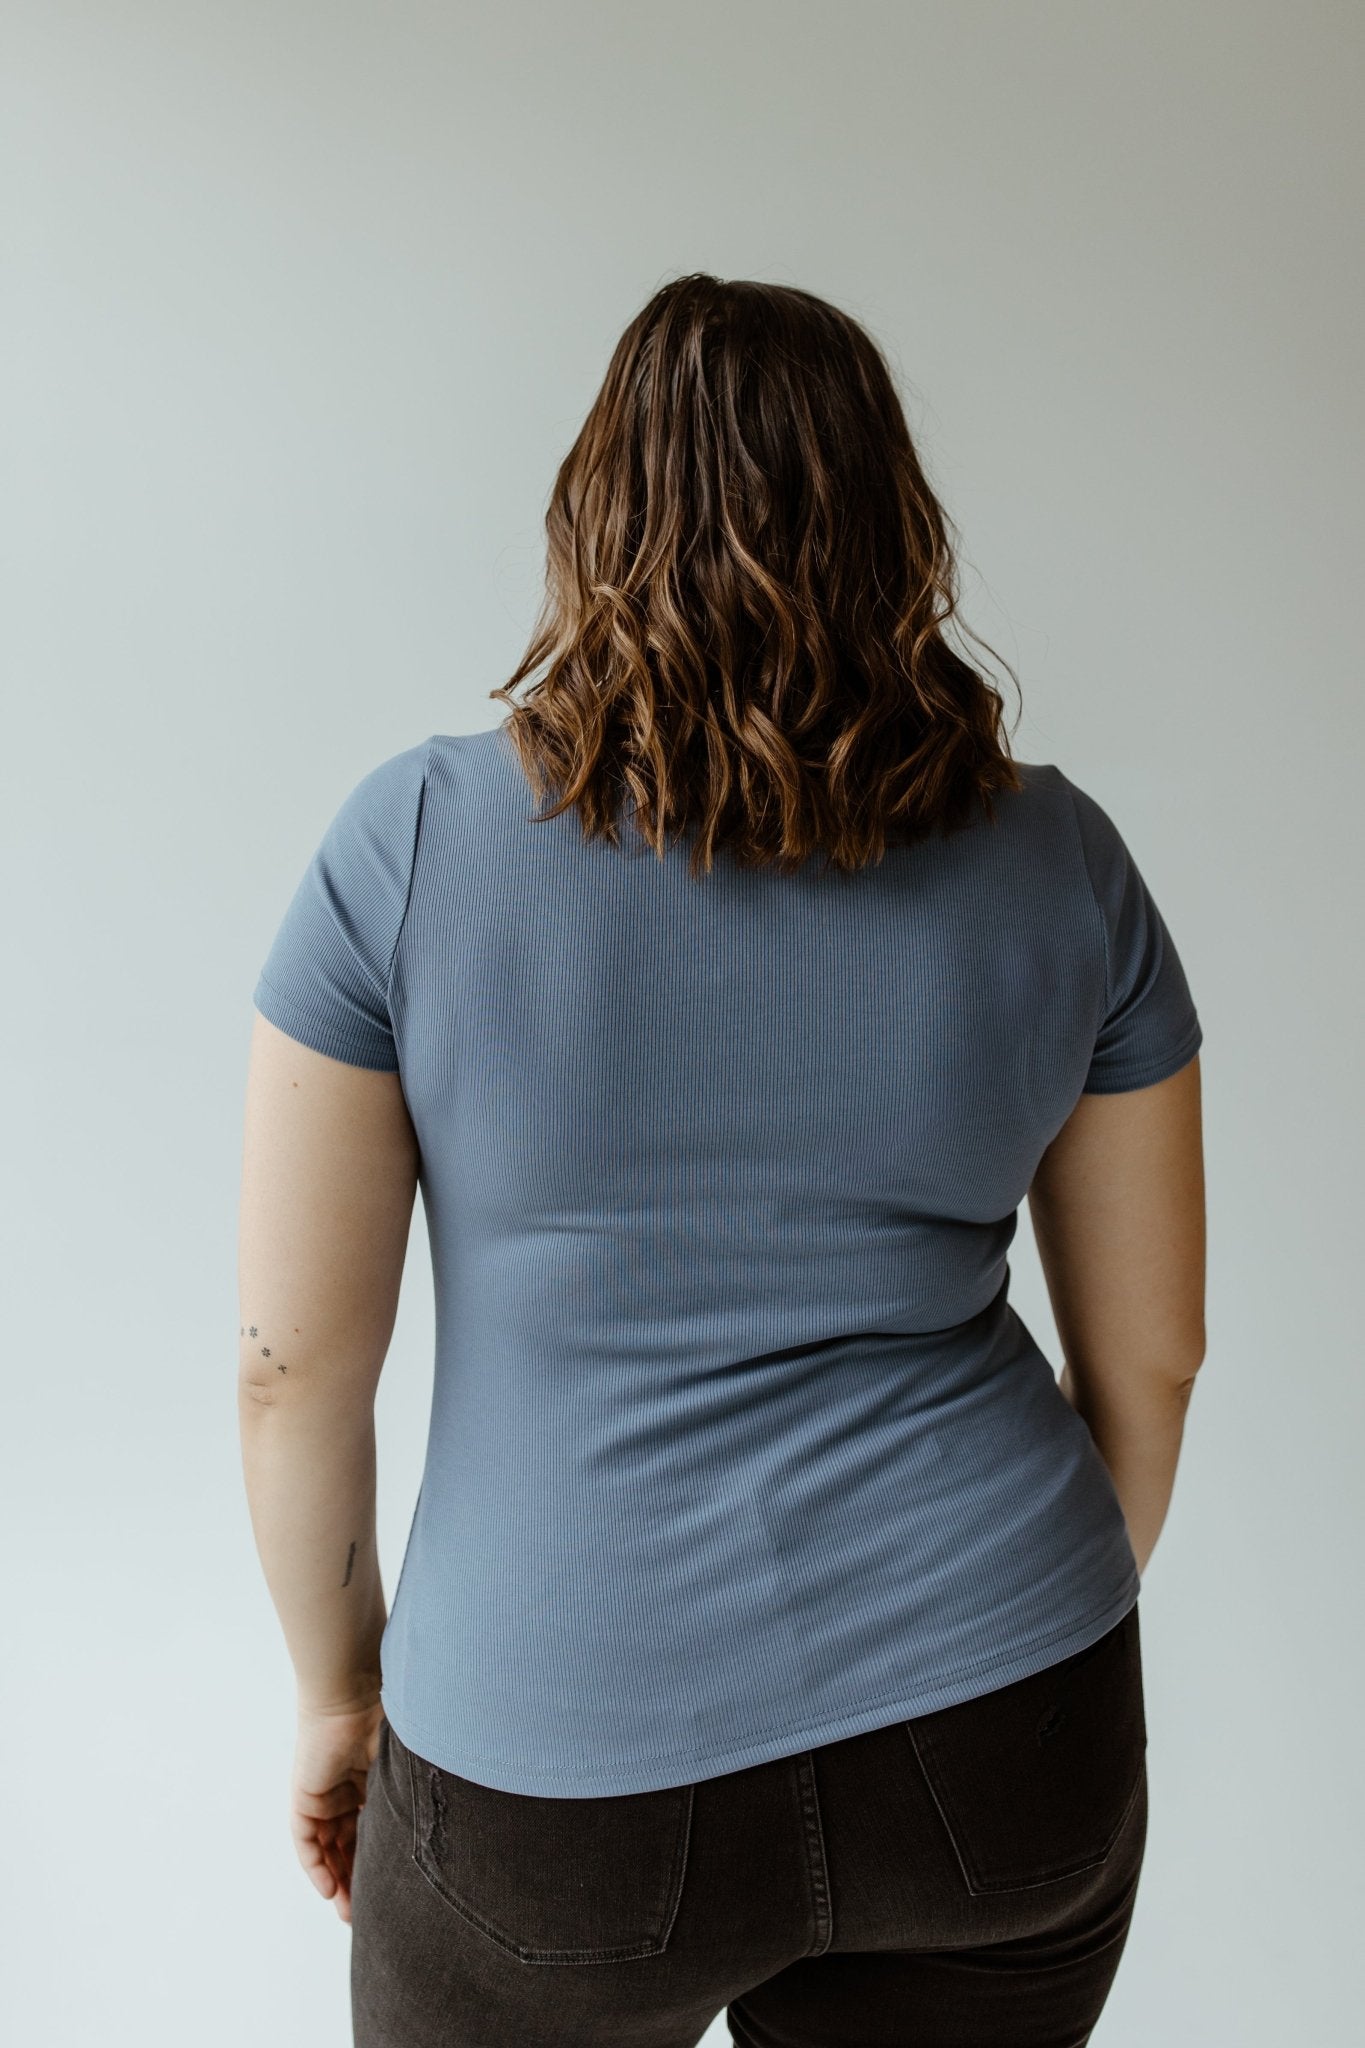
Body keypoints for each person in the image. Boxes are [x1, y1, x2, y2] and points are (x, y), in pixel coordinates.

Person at [238, 274, 1206, 2048]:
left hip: (557, 1753)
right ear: (896, 528)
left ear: (593, 515)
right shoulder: (1062, 859)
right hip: (1010, 1714)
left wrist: (336, 1694)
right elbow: (1153, 1357)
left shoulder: (415, 845)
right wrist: (1010, 1646)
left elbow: (292, 1369)